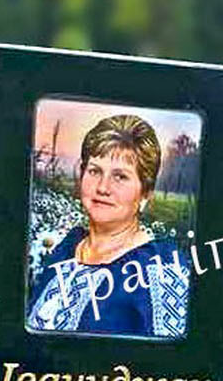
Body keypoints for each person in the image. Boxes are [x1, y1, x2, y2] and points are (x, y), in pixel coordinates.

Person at [28, 113, 189, 337]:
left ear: (145, 193)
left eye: (120, 176)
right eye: (95, 171)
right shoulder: (67, 247)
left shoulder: (161, 269)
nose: (103, 187)